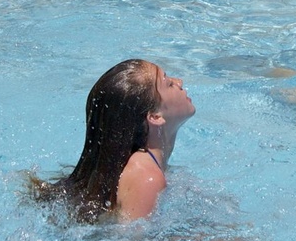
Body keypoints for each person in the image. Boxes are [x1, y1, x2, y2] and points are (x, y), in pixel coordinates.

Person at [30, 59, 195, 223]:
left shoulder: (146, 167)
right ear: (155, 116)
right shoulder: (147, 178)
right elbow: (133, 239)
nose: (179, 82)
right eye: (169, 84)